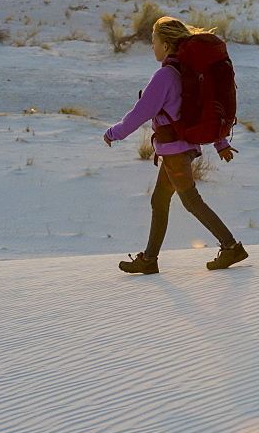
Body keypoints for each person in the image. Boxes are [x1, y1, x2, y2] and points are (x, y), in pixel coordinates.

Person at [104, 16, 248, 274]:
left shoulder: (165, 76)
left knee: (191, 201)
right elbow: (205, 108)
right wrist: (220, 142)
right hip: (187, 146)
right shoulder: (188, 72)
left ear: (167, 45)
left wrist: (114, 133)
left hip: (174, 151)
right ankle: (149, 260)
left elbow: (140, 113)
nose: (152, 47)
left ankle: (231, 246)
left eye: (154, 41)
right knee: (159, 200)